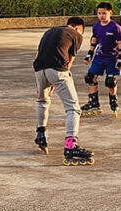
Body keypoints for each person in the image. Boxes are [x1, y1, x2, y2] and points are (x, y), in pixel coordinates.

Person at [33, 17, 95, 165]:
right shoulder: (76, 34)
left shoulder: (50, 31)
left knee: (42, 100)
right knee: (73, 108)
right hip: (57, 70)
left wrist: (48, 79)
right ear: (78, 28)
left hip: (39, 69)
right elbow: (69, 60)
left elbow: (39, 52)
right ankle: (71, 146)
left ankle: (41, 133)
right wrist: (60, 77)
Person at [82, 2, 121, 117]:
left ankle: (113, 100)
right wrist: (89, 54)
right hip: (99, 57)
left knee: (110, 81)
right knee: (90, 77)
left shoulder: (116, 27)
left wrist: (120, 58)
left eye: (104, 13)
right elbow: (94, 40)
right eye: (99, 13)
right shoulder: (96, 26)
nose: (102, 16)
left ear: (110, 13)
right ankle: (94, 102)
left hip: (113, 58)